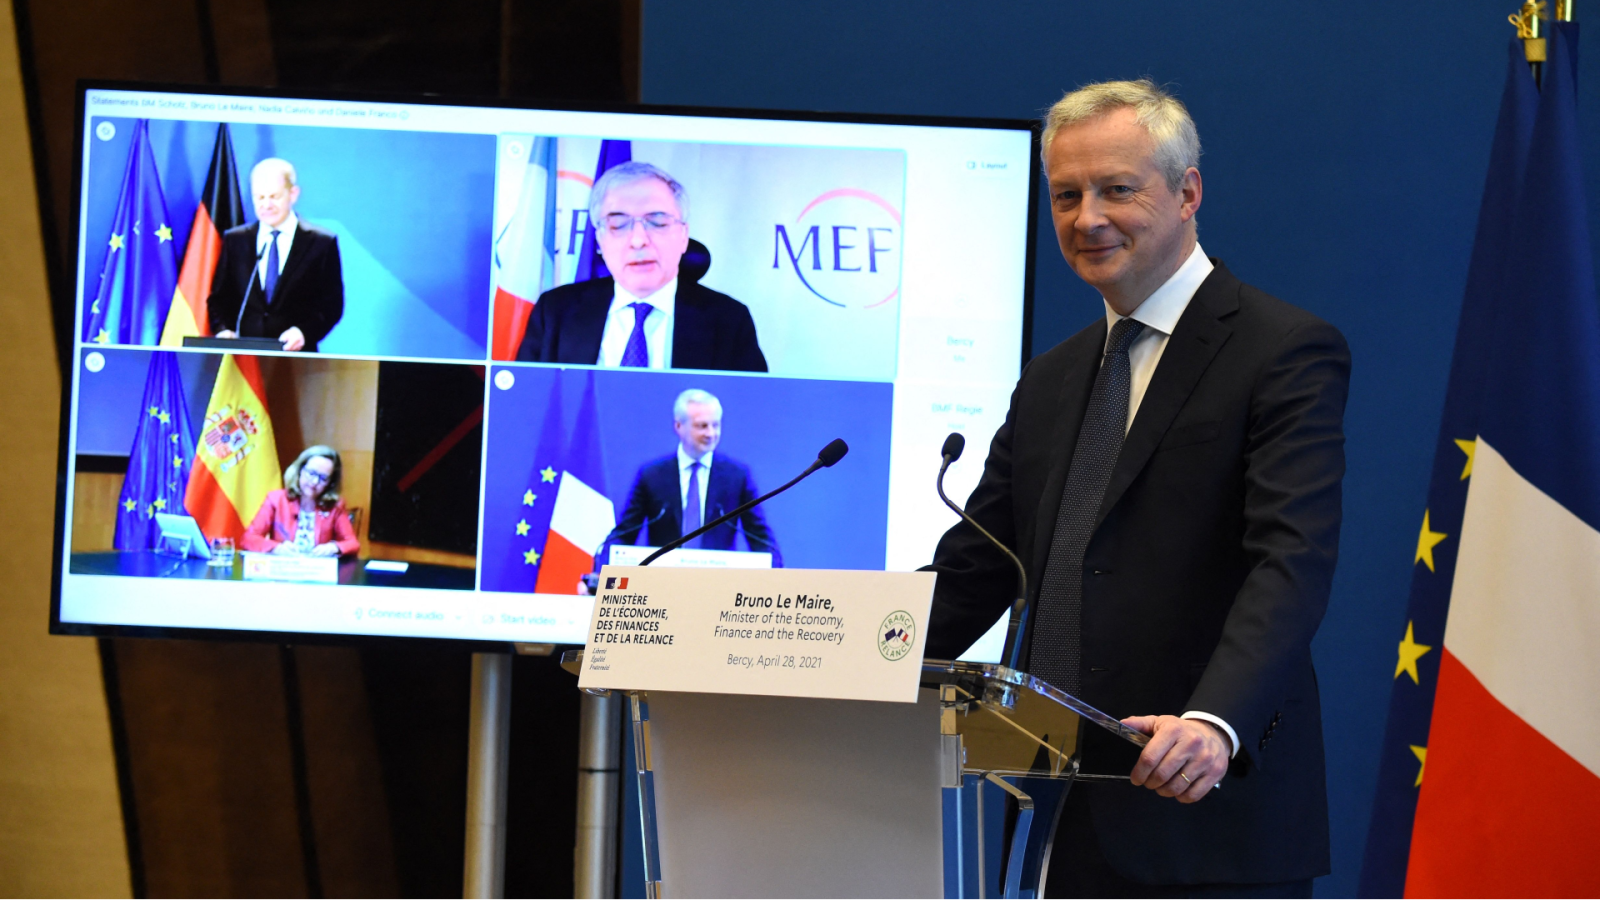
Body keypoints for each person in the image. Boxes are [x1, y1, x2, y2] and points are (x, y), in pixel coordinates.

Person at [924, 80, 1349, 897]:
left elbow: (1289, 563)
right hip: (1053, 810)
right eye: (1067, 195)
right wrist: (828, 656)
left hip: (1201, 805)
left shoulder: (1283, 350)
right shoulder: (1049, 382)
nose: (1088, 218)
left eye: (1118, 189)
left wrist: (1215, 723)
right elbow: (975, 573)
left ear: (1188, 192)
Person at [514, 162, 767, 371]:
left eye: (657, 222)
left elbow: (750, 417)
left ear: (683, 236)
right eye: (618, 224)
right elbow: (526, 410)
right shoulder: (556, 312)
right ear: (600, 240)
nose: (638, 240)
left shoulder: (729, 321)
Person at [600, 389, 781, 567]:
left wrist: (775, 577)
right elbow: (624, 534)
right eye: (702, 426)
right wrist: (600, 572)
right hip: (663, 581)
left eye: (715, 425)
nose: (710, 434)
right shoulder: (652, 475)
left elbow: (762, 539)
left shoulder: (736, 476)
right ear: (678, 426)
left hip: (716, 583)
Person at [208, 158, 344, 352]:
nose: (266, 205)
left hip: (296, 357)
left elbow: (332, 305)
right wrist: (223, 330)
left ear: (293, 194)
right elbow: (219, 299)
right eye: (259, 197)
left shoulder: (321, 242)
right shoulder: (235, 240)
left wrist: (303, 332)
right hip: (243, 358)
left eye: (274, 196)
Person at [241, 445, 360, 557]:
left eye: (323, 478)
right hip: (283, 571)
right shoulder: (276, 499)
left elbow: (352, 543)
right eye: (311, 473)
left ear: (330, 483)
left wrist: (334, 547)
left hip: (317, 572)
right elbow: (249, 539)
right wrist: (276, 548)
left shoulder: (335, 506)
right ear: (299, 470)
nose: (314, 482)